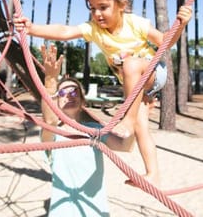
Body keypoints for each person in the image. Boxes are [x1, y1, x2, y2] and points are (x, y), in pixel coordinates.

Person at [14, 0, 192, 186]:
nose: (97, 13)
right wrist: (32, 28)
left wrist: (180, 25)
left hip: (153, 73)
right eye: (92, 8)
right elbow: (64, 30)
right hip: (136, 88)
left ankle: (126, 118)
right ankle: (152, 174)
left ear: (122, 5)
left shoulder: (134, 23)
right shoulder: (94, 29)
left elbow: (165, 41)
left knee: (131, 65)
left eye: (103, 7)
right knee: (141, 126)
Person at [39, 44, 134, 216]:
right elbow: (49, 120)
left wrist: (135, 116)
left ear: (83, 101)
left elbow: (125, 145)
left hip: (94, 211)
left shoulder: (95, 130)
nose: (68, 96)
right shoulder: (53, 134)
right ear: (57, 102)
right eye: (62, 94)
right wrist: (50, 81)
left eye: (74, 92)